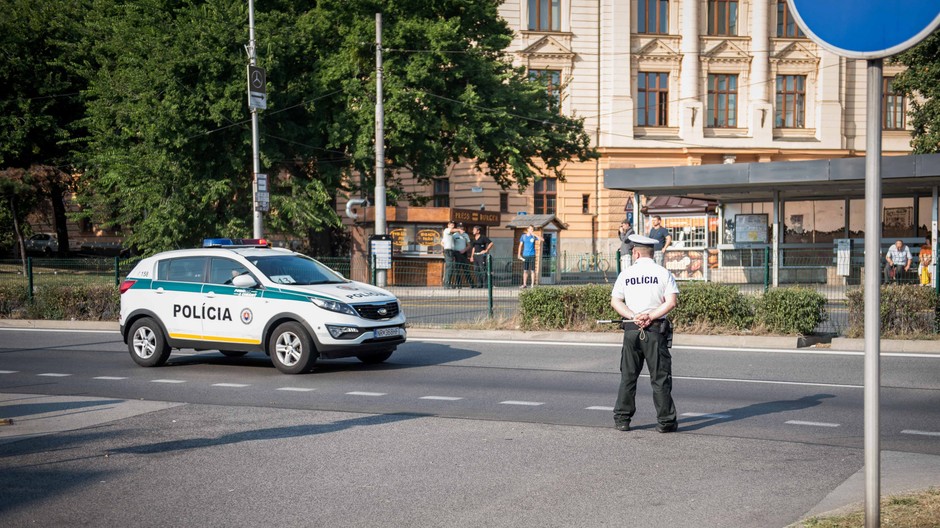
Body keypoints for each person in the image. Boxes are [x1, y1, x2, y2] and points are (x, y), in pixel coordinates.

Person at [610, 234, 679, 433]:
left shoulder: (626, 274)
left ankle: (622, 419)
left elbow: (615, 302)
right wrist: (650, 316)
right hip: (655, 330)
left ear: (636, 252)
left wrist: (634, 315)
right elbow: (671, 302)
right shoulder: (663, 273)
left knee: (628, 376)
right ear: (651, 252)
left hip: (632, 330)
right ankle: (666, 421)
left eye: (632, 251)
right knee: (660, 377)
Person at [452, 223, 472, 288]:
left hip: (463, 253)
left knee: (466, 269)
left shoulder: (465, 235)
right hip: (456, 253)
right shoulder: (454, 235)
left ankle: (471, 284)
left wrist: (464, 250)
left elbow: (469, 245)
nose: (461, 228)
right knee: (457, 269)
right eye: (459, 227)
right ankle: (458, 284)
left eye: (462, 227)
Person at [442, 221, 457, 288]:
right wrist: (459, 230)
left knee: (450, 268)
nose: (452, 226)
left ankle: (448, 283)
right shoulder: (447, 230)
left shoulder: (451, 235)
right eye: (451, 224)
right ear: (448, 225)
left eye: (453, 225)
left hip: (451, 251)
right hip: (448, 251)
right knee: (449, 267)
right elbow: (451, 230)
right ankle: (446, 284)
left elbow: (442, 242)